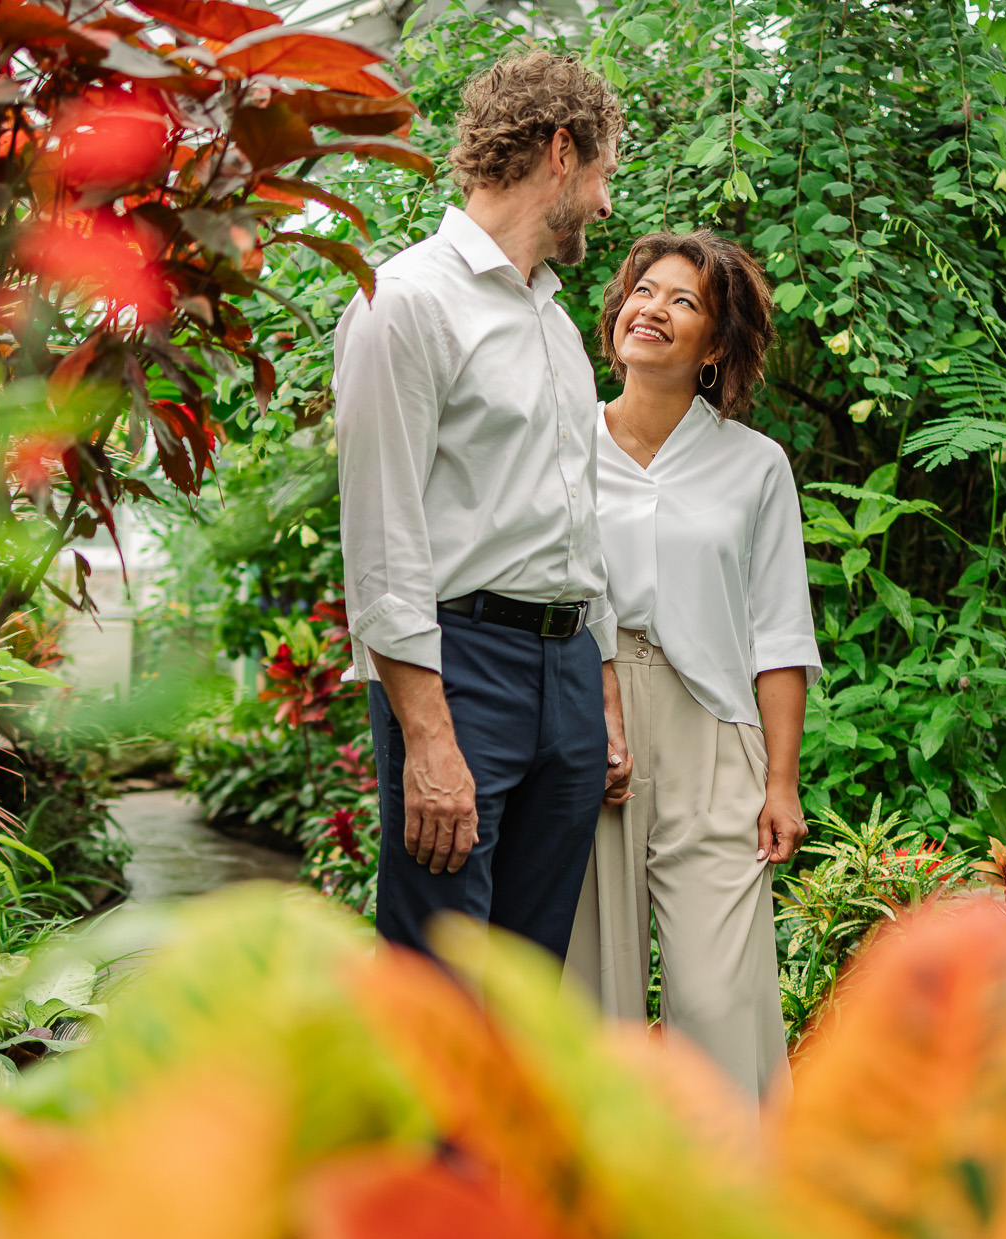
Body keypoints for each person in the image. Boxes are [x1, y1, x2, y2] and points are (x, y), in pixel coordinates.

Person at [333, 51, 631, 959]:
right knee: (439, 982)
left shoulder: (556, 320)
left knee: (523, 986)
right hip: (459, 670)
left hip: (569, 677)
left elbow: (578, 514)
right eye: (607, 173)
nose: (608, 205)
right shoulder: (406, 301)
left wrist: (604, 688)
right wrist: (427, 738)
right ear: (561, 153)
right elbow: (381, 537)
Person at [565, 231, 819, 1104]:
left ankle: (734, 1211)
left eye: (683, 302)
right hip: (592, 728)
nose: (653, 310)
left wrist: (780, 783)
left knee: (719, 998)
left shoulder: (756, 466)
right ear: (616, 315)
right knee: (593, 1000)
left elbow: (780, 633)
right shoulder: (563, 444)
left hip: (715, 734)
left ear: (714, 346)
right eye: (644, 291)